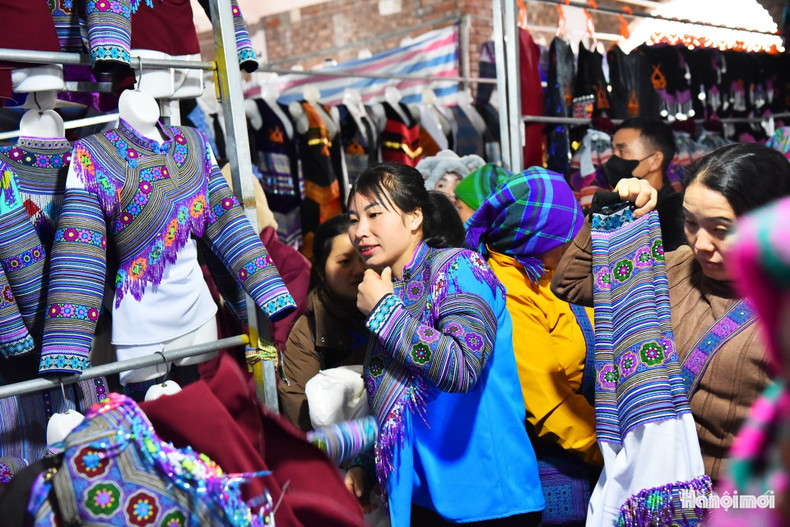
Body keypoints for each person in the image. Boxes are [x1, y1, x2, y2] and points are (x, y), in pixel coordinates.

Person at [551, 142, 790, 484]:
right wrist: (614, 207)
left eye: (722, 230)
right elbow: (570, 284)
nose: (701, 244)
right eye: (692, 223)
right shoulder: (675, 267)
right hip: (656, 492)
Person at [343, 162, 544, 526]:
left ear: (414, 217)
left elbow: (462, 367)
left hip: (487, 499)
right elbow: (393, 392)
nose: (360, 231)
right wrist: (364, 465)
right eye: (354, 218)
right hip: (421, 497)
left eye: (374, 214)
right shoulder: (388, 287)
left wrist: (385, 312)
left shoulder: (461, 269)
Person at [465, 167, 602, 526]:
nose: (576, 244)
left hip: (586, 441)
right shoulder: (507, 293)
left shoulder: (544, 270)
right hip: (556, 459)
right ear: (539, 238)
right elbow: (547, 404)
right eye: (568, 237)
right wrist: (614, 453)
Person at [279, 213, 368, 432]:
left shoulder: (396, 307)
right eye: (344, 262)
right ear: (320, 271)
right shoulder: (307, 332)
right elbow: (299, 411)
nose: (358, 270)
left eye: (363, 257)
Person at [602, 117, 686, 251]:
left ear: (654, 161)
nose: (612, 160)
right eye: (613, 151)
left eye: (622, 151)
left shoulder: (672, 216)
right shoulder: (613, 206)